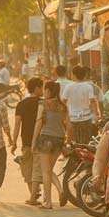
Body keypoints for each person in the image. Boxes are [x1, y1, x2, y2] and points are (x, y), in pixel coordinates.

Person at [31, 81, 69, 209]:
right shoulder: (63, 106)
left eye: (44, 90)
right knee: (49, 170)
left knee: (45, 172)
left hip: (46, 138)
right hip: (59, 139)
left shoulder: (43, 104)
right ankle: (61, 190)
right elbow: (69, 125)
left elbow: (38, 123)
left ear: (47, 90)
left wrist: (33, 142)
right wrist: (68, 141)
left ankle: (48, 202)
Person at [12, 77, 44, 205]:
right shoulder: (44, 103)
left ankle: (33, 194)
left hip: (26, 141)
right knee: (38, 168)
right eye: (41, 87)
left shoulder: (21, 104)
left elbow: (17, 124)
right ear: (36, 88)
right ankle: (34, 194)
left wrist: (14, 142)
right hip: (42, 140)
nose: (42, 90)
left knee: (28, 168)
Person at [62, 65, 99, 144]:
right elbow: (92, 101)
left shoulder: (68, 87)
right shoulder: (88, 87)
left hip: (72, 119)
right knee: (85, 143)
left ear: (74, 75)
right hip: (86, 119)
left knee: (73, 143)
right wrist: (96, 115)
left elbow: (63, 102)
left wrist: (63, 117)